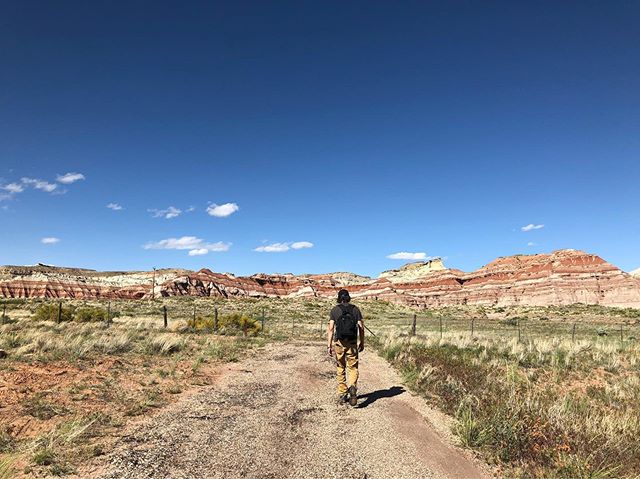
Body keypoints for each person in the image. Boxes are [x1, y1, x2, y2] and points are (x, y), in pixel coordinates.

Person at [327, 288, 364, 406]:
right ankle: (352, 386)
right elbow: (361, 327)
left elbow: (331, 329)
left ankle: (343, 393)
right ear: (348, 297)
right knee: (352, 367)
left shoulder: (335, 310)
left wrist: (329, 345)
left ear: (339, 298)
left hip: (339, 343)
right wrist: (362, 342)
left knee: (340, 367)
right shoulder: (355, 309)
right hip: (352, 343)